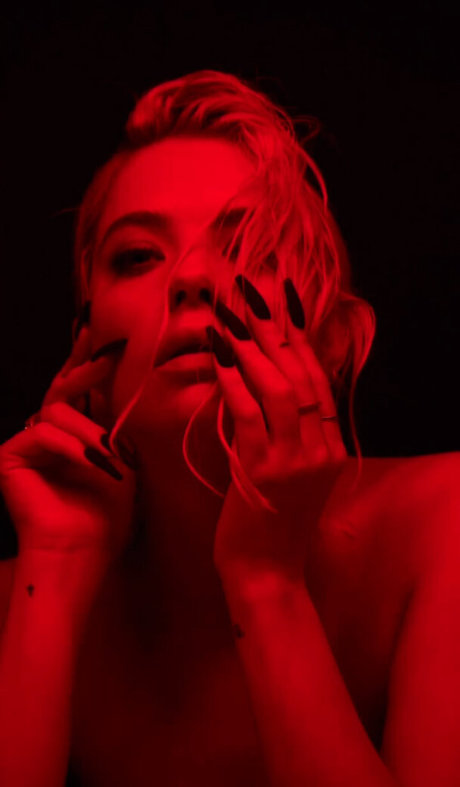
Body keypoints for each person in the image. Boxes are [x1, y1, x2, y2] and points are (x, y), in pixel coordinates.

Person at [0, 69, 458, 787]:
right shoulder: (19, 598)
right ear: (86, 343)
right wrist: (54, 569)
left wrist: (267, 580)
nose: (191, 279)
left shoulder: (442, 525)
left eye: (250, 246)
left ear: (334, 339)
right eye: (138, 257)